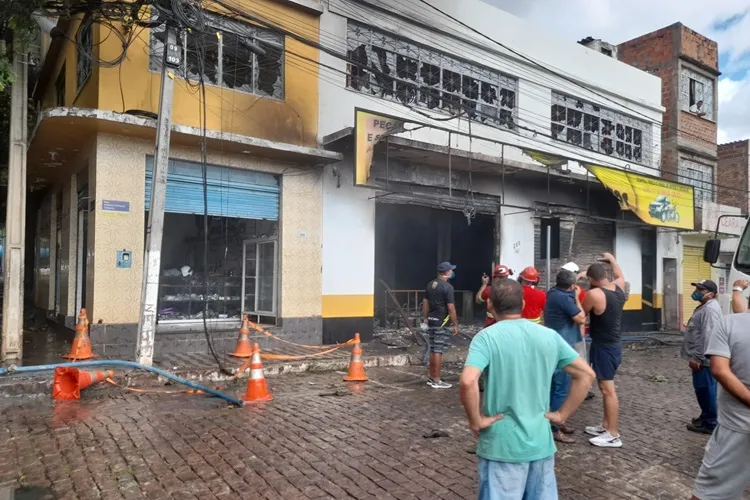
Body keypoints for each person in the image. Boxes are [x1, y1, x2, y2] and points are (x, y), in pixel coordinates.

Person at [460, 279, 595, 499]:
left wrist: (476, 420)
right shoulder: (549, 336)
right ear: (522, 304)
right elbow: (586, 375)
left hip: (502, 445)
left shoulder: (485, 338)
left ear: (491, 307)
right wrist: (561, 415)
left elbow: (467, 381)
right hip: (541, 443)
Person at [691, 281, 750, 500]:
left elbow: (720, 370)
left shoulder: (727, 322)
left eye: (701, 289)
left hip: (738, 426)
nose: (697, 293)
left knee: (709, 492)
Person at [582, 253, 626, 448]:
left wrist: (576, 283)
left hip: (604, 347)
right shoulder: (619, 288)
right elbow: (619, 274)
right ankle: (606, 425)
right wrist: (613, 259)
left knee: (608, 390)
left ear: (591, 280)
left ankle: (613, 434)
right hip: (614, 344)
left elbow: (580, 313)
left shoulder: (594, 295)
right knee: (603, 387)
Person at [544, 269, 587, 444]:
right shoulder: (565, 298)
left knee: (554, 385)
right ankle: (554, 426)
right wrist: (576, 297)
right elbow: (581, 318)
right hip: (562, 347)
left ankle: (557, 421)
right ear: (571, 286)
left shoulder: (553, 293)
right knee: (561, 387)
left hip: (555, 344)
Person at [682, 279, 722, 434]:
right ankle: (706, 416)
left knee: (705, 390)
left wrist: (698, 358)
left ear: (711, 294)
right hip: (702, 358)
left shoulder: (710, 310)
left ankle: (711, 422)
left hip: (703, 360)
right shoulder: (705, 307)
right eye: (697, 288)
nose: (697, 291)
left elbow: (708, 335)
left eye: (701, 289)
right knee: (703, 390)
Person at [422, 261, 459, 389]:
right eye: (451, 270)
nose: (452, 272)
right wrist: (455, 324)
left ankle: (432, 377)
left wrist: (426, 317)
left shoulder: (430, 284)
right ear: (447, 272)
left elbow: (425, 302)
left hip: (432, 321)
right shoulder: (448, 287)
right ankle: (436, 380)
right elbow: (451, 307)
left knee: (433, 349)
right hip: (441, 322)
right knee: (438, 350)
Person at [563, 261, 595, 401]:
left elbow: (582, 313)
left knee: (578, 360)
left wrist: (581, 328)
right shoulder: (575, 291)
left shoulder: (576, 292)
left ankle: (584, 388)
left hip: (573, 330)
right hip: (571, 331)